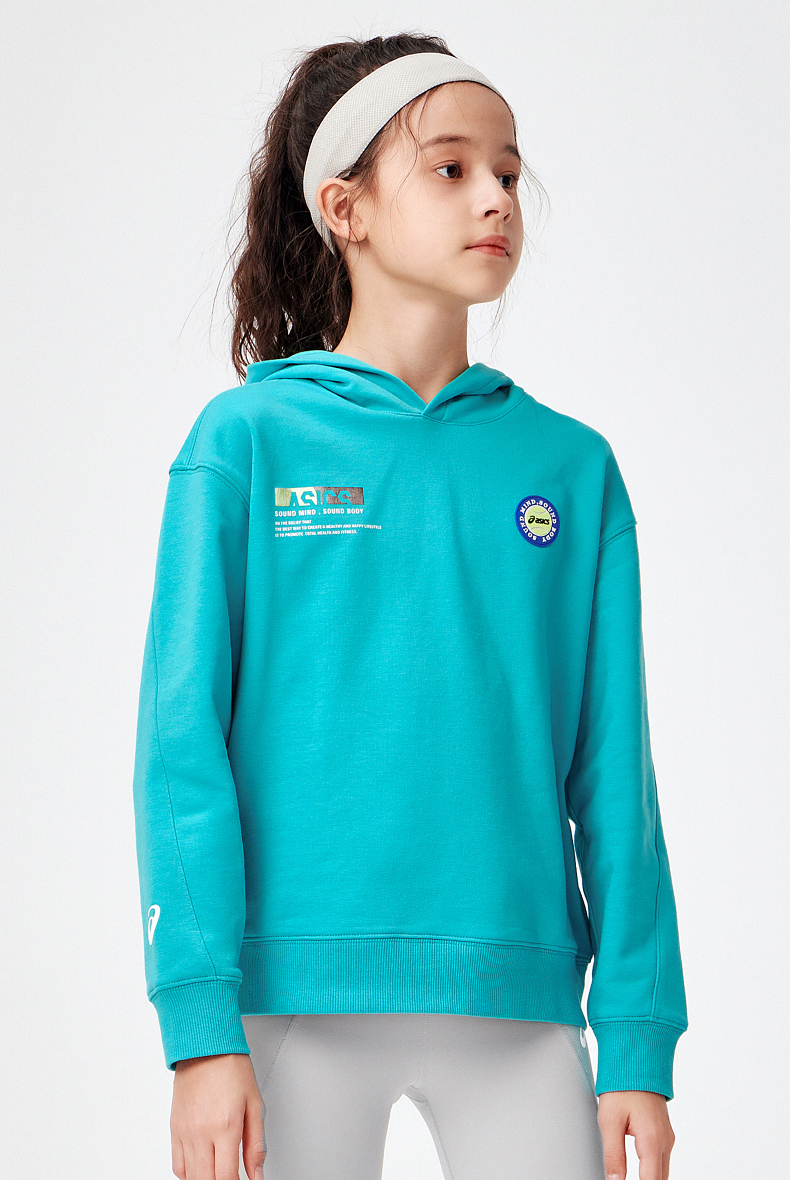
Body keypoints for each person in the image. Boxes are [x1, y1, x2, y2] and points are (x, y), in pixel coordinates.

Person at [132, 31, 688, 1180]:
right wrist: (200, 1028)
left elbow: (615, 775)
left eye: (507, 171)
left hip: (519, 999)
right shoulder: (246, 443)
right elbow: (180, 749)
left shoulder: (571, 469)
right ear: (345, 208)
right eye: (450, 168)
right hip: (287, 998)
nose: (495, 197)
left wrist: (636, 1036)